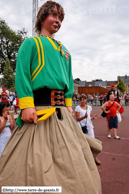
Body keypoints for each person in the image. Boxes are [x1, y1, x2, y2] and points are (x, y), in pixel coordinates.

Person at [0, 1, 102, 193]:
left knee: (71, 158)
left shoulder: (65, 51)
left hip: (62, 114)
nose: (58, 20)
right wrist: (27, 105)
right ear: (42, 18)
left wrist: (69, 104)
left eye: (60, 18)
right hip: (38, 112)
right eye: (53, 15)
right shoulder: (31, 43)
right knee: (35, 160)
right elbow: (22, 74)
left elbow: (69, 81)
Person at [75, 94, 101, 165]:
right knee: (81, 143)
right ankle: (82, 159)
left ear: (86, 100)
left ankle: (95, 157)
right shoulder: (77, 107)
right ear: (80, 100)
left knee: (92, 142)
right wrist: (84, 117)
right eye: (81, 100)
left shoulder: (89, 107)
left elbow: (90, 117)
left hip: (89, 127)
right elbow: (77, 118)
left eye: (84, 99)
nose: (82, 101)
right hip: (81, 127)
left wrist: (93, 118)